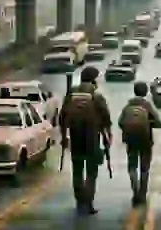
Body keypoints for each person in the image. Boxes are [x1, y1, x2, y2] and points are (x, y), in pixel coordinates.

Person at [59, 66, 113, 215]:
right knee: (91, 171)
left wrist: (64, 137)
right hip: (92, 138)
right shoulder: (96, 96)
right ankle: (88, 202)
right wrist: (108, 136)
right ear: (93, 80)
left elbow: (62, 117)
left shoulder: (71, 94)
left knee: (77, 170)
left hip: (75, 136)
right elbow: (106, 118)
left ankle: (79, 200)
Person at [118, 81, 161, 206]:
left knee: (132, 167)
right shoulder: (147, 105)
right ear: (146, 92)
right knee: (144, 168)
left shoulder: (128, 106)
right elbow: (159, 123)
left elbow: (120, 122)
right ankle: (142, 194)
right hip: (145, 140)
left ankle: (135, 191)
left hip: (131, 140)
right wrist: (150, 124)